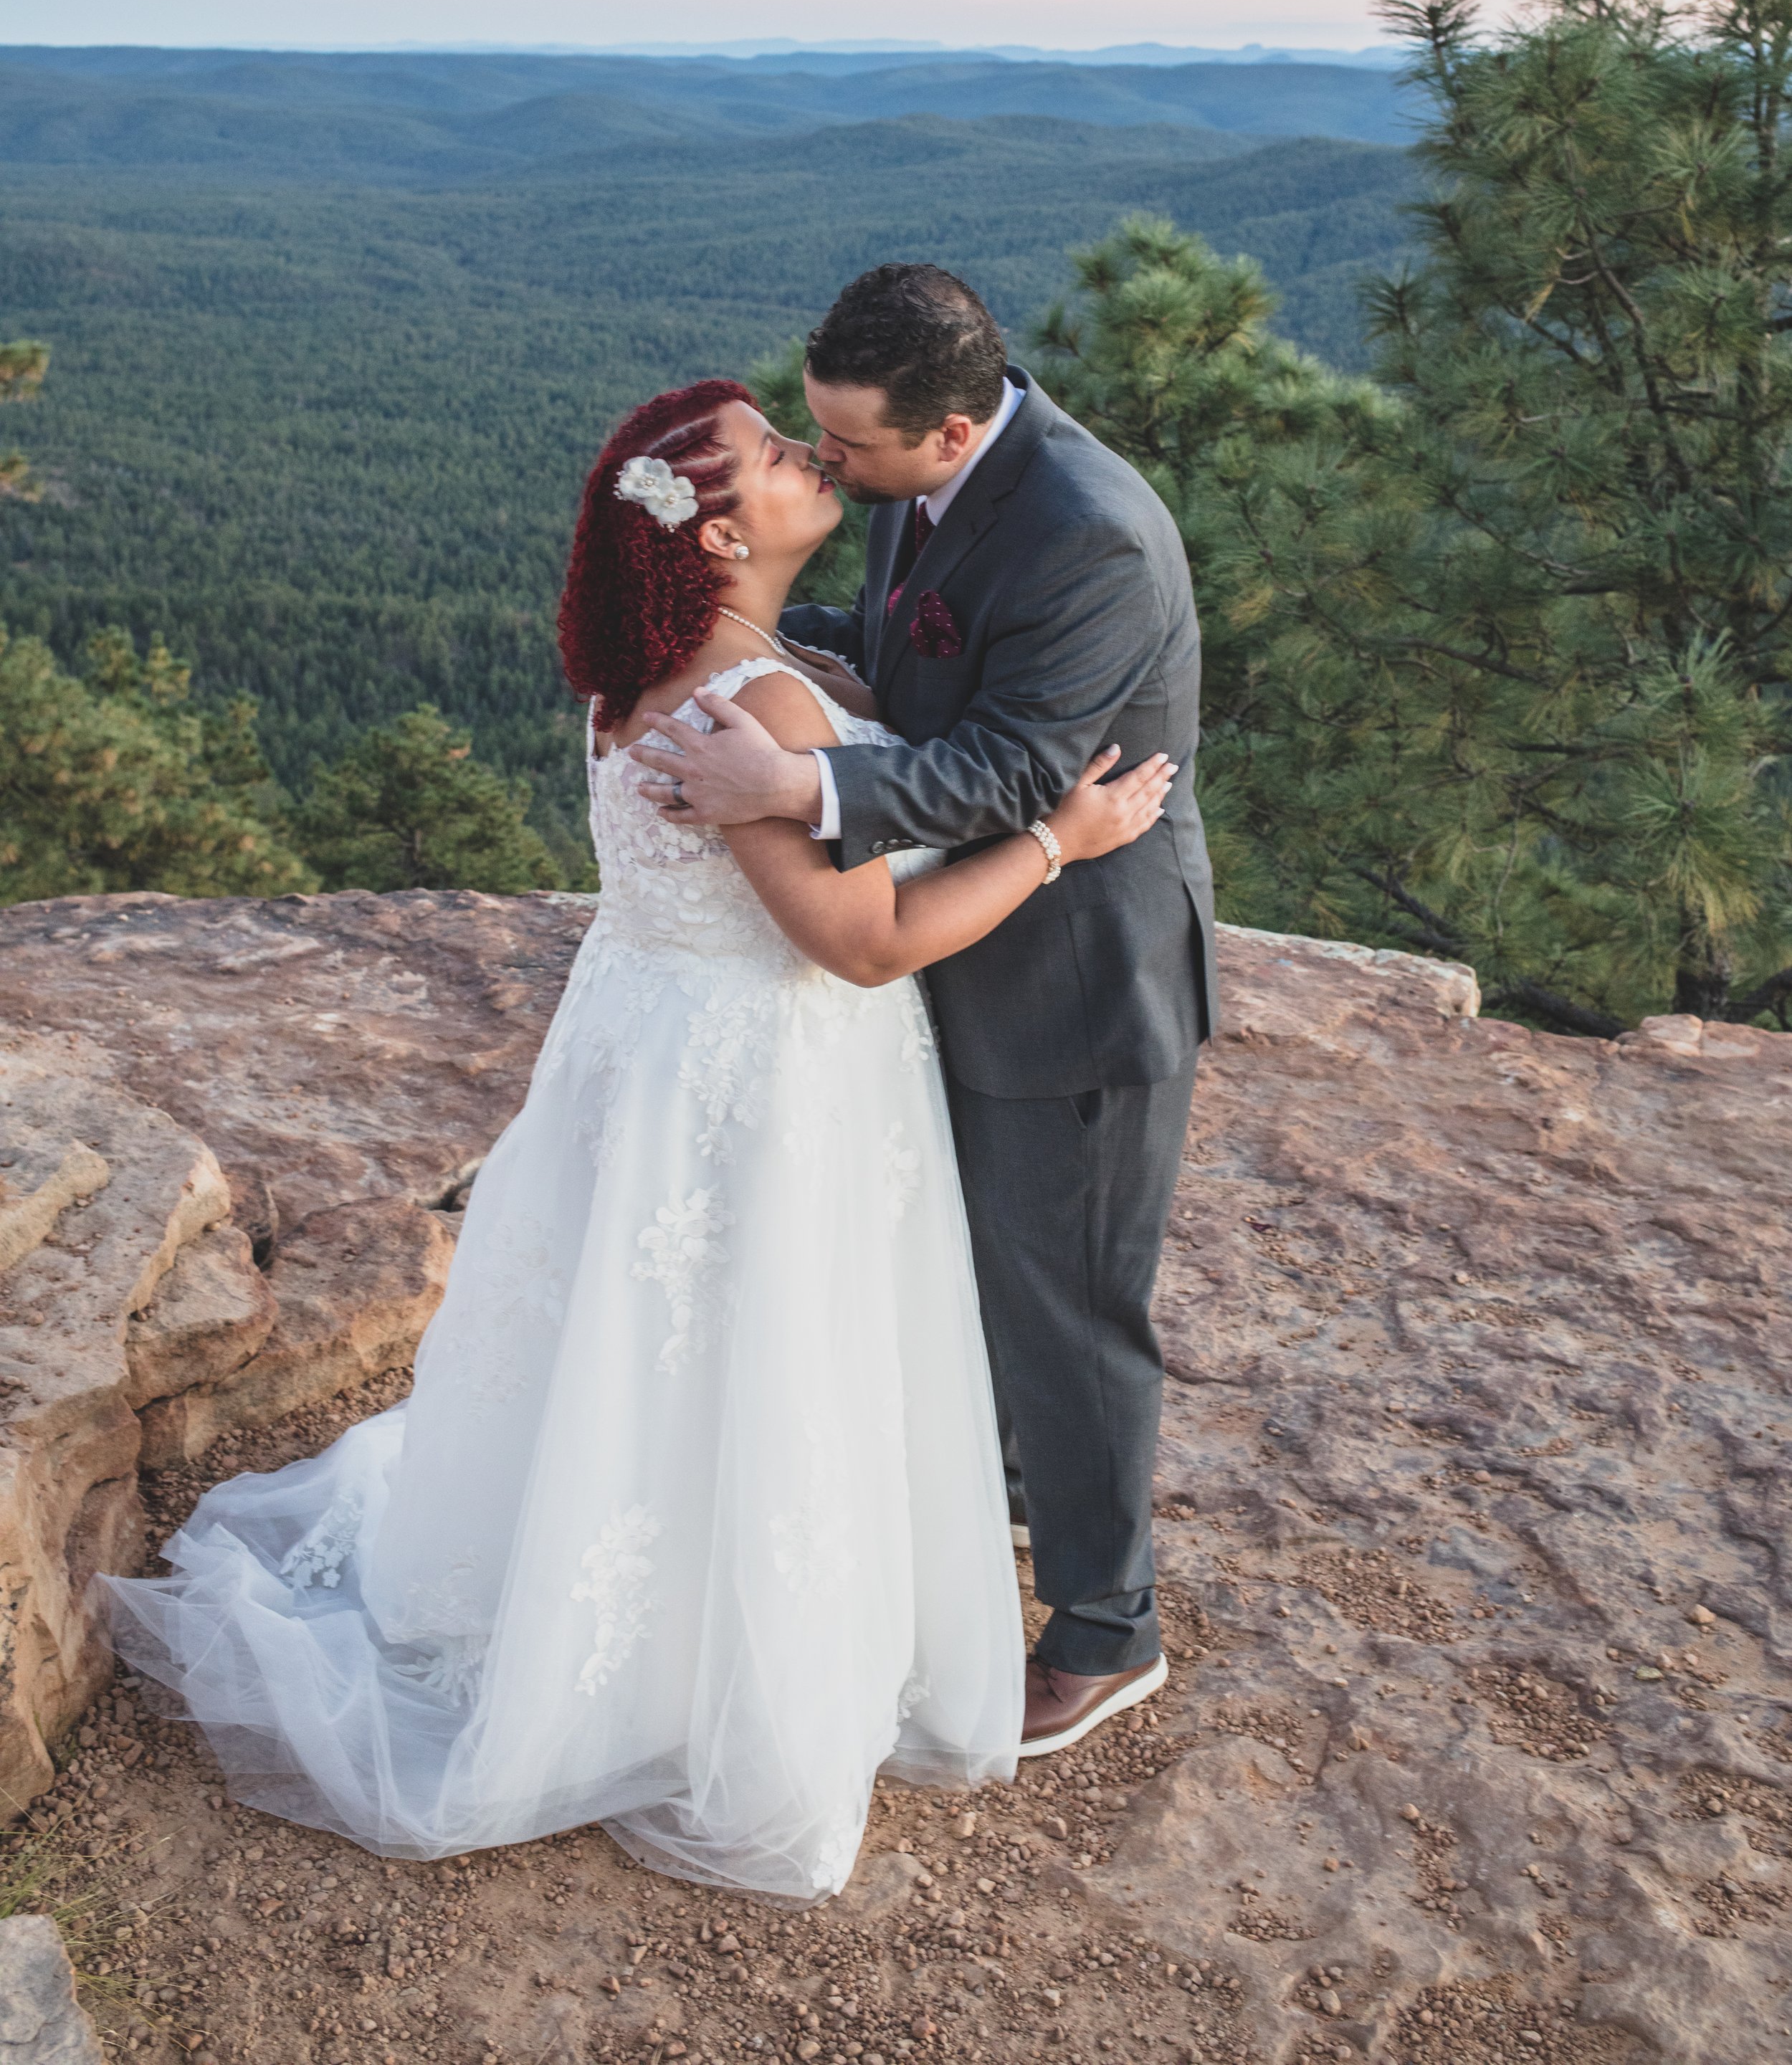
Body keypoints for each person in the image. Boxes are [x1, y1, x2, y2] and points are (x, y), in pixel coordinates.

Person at [103, 377, 1171, 1900]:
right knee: (753, 1352)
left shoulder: (647, 669)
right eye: (782, 456)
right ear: (726, 529)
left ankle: (613, 1594)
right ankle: (707, 1668)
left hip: (650, 1045)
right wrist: (1063, 840)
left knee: (646, 1346)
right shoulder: (762, 708)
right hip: (767, 1071)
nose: (816, 463)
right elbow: (858, 946)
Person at [629, 265, 1218, 1760]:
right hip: (955, 953)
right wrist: (748, 644)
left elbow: (1018, 772)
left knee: (1072, 1313)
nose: (828, 468)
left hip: (1072, 983)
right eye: (813, 442)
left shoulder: (1091, 537)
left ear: (950, 431)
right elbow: (911, 654)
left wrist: (799, 781)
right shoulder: (921, 476)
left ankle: (1104, 1633)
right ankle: (989, 1510)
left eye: (853, 450)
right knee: (979, 1283)